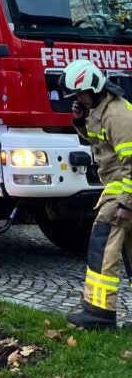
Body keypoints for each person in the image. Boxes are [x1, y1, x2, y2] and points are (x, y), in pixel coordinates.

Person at [60, 59, 132, 329]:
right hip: (119, 187)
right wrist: (79, 120)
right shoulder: (102, 109)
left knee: (103, 246)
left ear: (93, 87)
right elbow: (99, 142)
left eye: (80, 93)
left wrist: (126, 203)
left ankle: (98, 313)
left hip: (123, 190)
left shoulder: (117, 116)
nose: (78, 98)